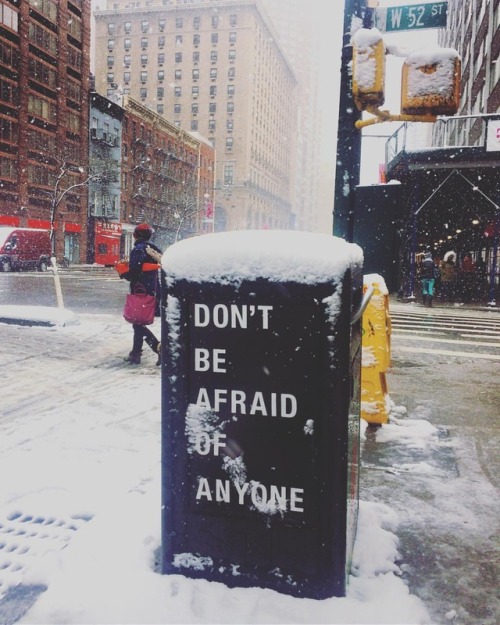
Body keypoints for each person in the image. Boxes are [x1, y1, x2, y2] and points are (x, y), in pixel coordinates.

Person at [120, 223, 162, 365]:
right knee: (138, 323)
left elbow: (134, 273)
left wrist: (123, 272)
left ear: (135, 235)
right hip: (154, 290)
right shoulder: (153, 248)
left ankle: (158, 348)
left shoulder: (138, 249)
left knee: (137, 324)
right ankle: (135, 353)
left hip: (141, 291)